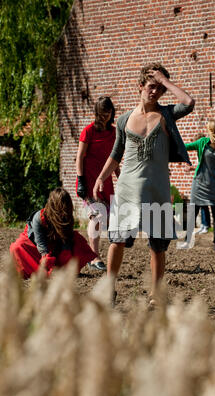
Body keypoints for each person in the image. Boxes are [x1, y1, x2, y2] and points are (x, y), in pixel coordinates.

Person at [93, 63, 195, 303]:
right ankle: (110, 288)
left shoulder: (167, 114)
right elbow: (116, 153)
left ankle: (155, 293)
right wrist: (101, 177)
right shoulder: (124, 120)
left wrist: (165, 81)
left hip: (157, 189)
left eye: (160, 89)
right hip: (128, 188)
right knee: (117, 240)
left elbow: (188, 102)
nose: (155, 92)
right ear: (140, 86)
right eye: (151, 86)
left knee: (158, 245)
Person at [10, 188, 96, 279]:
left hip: (57, 242)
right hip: (37, 244)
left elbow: (67, 238)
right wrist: (46, 262)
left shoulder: (68, 216)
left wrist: (66, 259)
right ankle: (37, 271)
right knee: (17, 247)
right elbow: (41, 244)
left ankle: (68, 271)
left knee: (78, 240)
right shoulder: (39, 217)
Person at [76, 96, 119, 271]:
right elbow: (79, 156)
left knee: (106, 218)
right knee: (97, 216)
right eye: (101, 114)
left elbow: (114, 158)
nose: (104, 117)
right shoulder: (88, 131)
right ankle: (94, 257)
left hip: (106, 182)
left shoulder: (114, 133)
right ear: (96, 113)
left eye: (107, 113)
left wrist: (120, 176)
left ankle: (92, 254)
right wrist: (80, 180)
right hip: (89, 180)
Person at [185, 119, 215, 252]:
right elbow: (185, 147)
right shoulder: (203, 142)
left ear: (211, 130)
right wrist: (170, 142)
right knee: (193, 213)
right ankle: (188, 241)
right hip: (199, 183)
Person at [184, 132, 211, 235]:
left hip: (204, 179)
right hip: (200, 179)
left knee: (203, 203)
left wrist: (191, 168)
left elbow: (204, 167)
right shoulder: (201, 151)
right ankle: (203, 225)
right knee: (200, 203)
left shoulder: (204, 150)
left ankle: (206, 225)